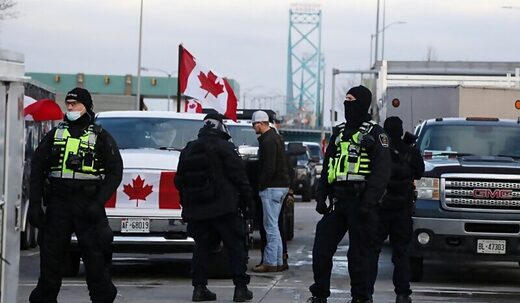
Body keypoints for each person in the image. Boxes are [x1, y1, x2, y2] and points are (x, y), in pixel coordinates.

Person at [28, 87, 123, 303]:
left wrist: (98, 203)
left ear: (86, 107)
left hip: (88, 205)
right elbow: (37, 169)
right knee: (51, 259)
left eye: (75, 105)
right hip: (58, 204)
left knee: (96, 259)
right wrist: (35, 205)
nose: (70, 108)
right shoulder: (54, 135)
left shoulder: (101, 137)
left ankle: (103, 298)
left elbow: (115, 171)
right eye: (68, 104)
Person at [308, 85, 391, 303]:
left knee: (359, 255)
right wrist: (321, 195)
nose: (347, 105)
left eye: (351, 100)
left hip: (361, 201)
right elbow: (328, 167)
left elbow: (382, 172)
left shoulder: (376, 134)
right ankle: (319, 294)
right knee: (321, 249)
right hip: (338, 201)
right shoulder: (339, 132)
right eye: (345, 101)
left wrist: (368, 203)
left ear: (363, 103)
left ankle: (361, 297)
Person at [174, 112, 254, 302]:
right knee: (236, 247)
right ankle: (240, 288)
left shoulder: (189, 149)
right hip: (224, 208)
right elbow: (239, 177)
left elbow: (180, 180)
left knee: (201, 248)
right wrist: (249, 203)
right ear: (220, 126)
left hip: (198, 209)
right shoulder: (225, 148)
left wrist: (187, 205)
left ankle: (199, 288)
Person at [369, 116, 425, 303]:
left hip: (381, 207)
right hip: (403, 209)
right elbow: (419, 172)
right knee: (401, 253)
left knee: (372, 251)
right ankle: (402, 293)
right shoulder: (411, 152)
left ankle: (366, 292)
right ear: (401, 130)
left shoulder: (380, 151)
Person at [251, 110, 290, 273]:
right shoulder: (276, 138)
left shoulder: (267, 141)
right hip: (281, 186)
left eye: (254, 125)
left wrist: (261, 186)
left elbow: (268, 167)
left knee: (270, 227)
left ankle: (270, 262)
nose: (254, 128)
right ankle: (279, 260)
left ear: (260, 123)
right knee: (275, 226)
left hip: (271, 188)